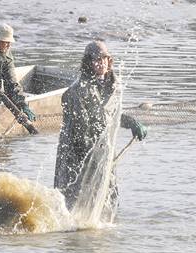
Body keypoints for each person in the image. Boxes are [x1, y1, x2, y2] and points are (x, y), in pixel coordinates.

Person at [54, 40, 147, 222]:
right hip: (76, 153)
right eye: (96, 59)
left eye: (104, 58)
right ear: (88, 63)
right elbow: (81, 130)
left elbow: (111, 113)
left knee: (108, 195)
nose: (101, 63)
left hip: (103, 150)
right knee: (72, 198)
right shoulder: (78, 91)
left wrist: (133, 123)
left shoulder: (113, 84)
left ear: (109, 61)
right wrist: (93, 154)